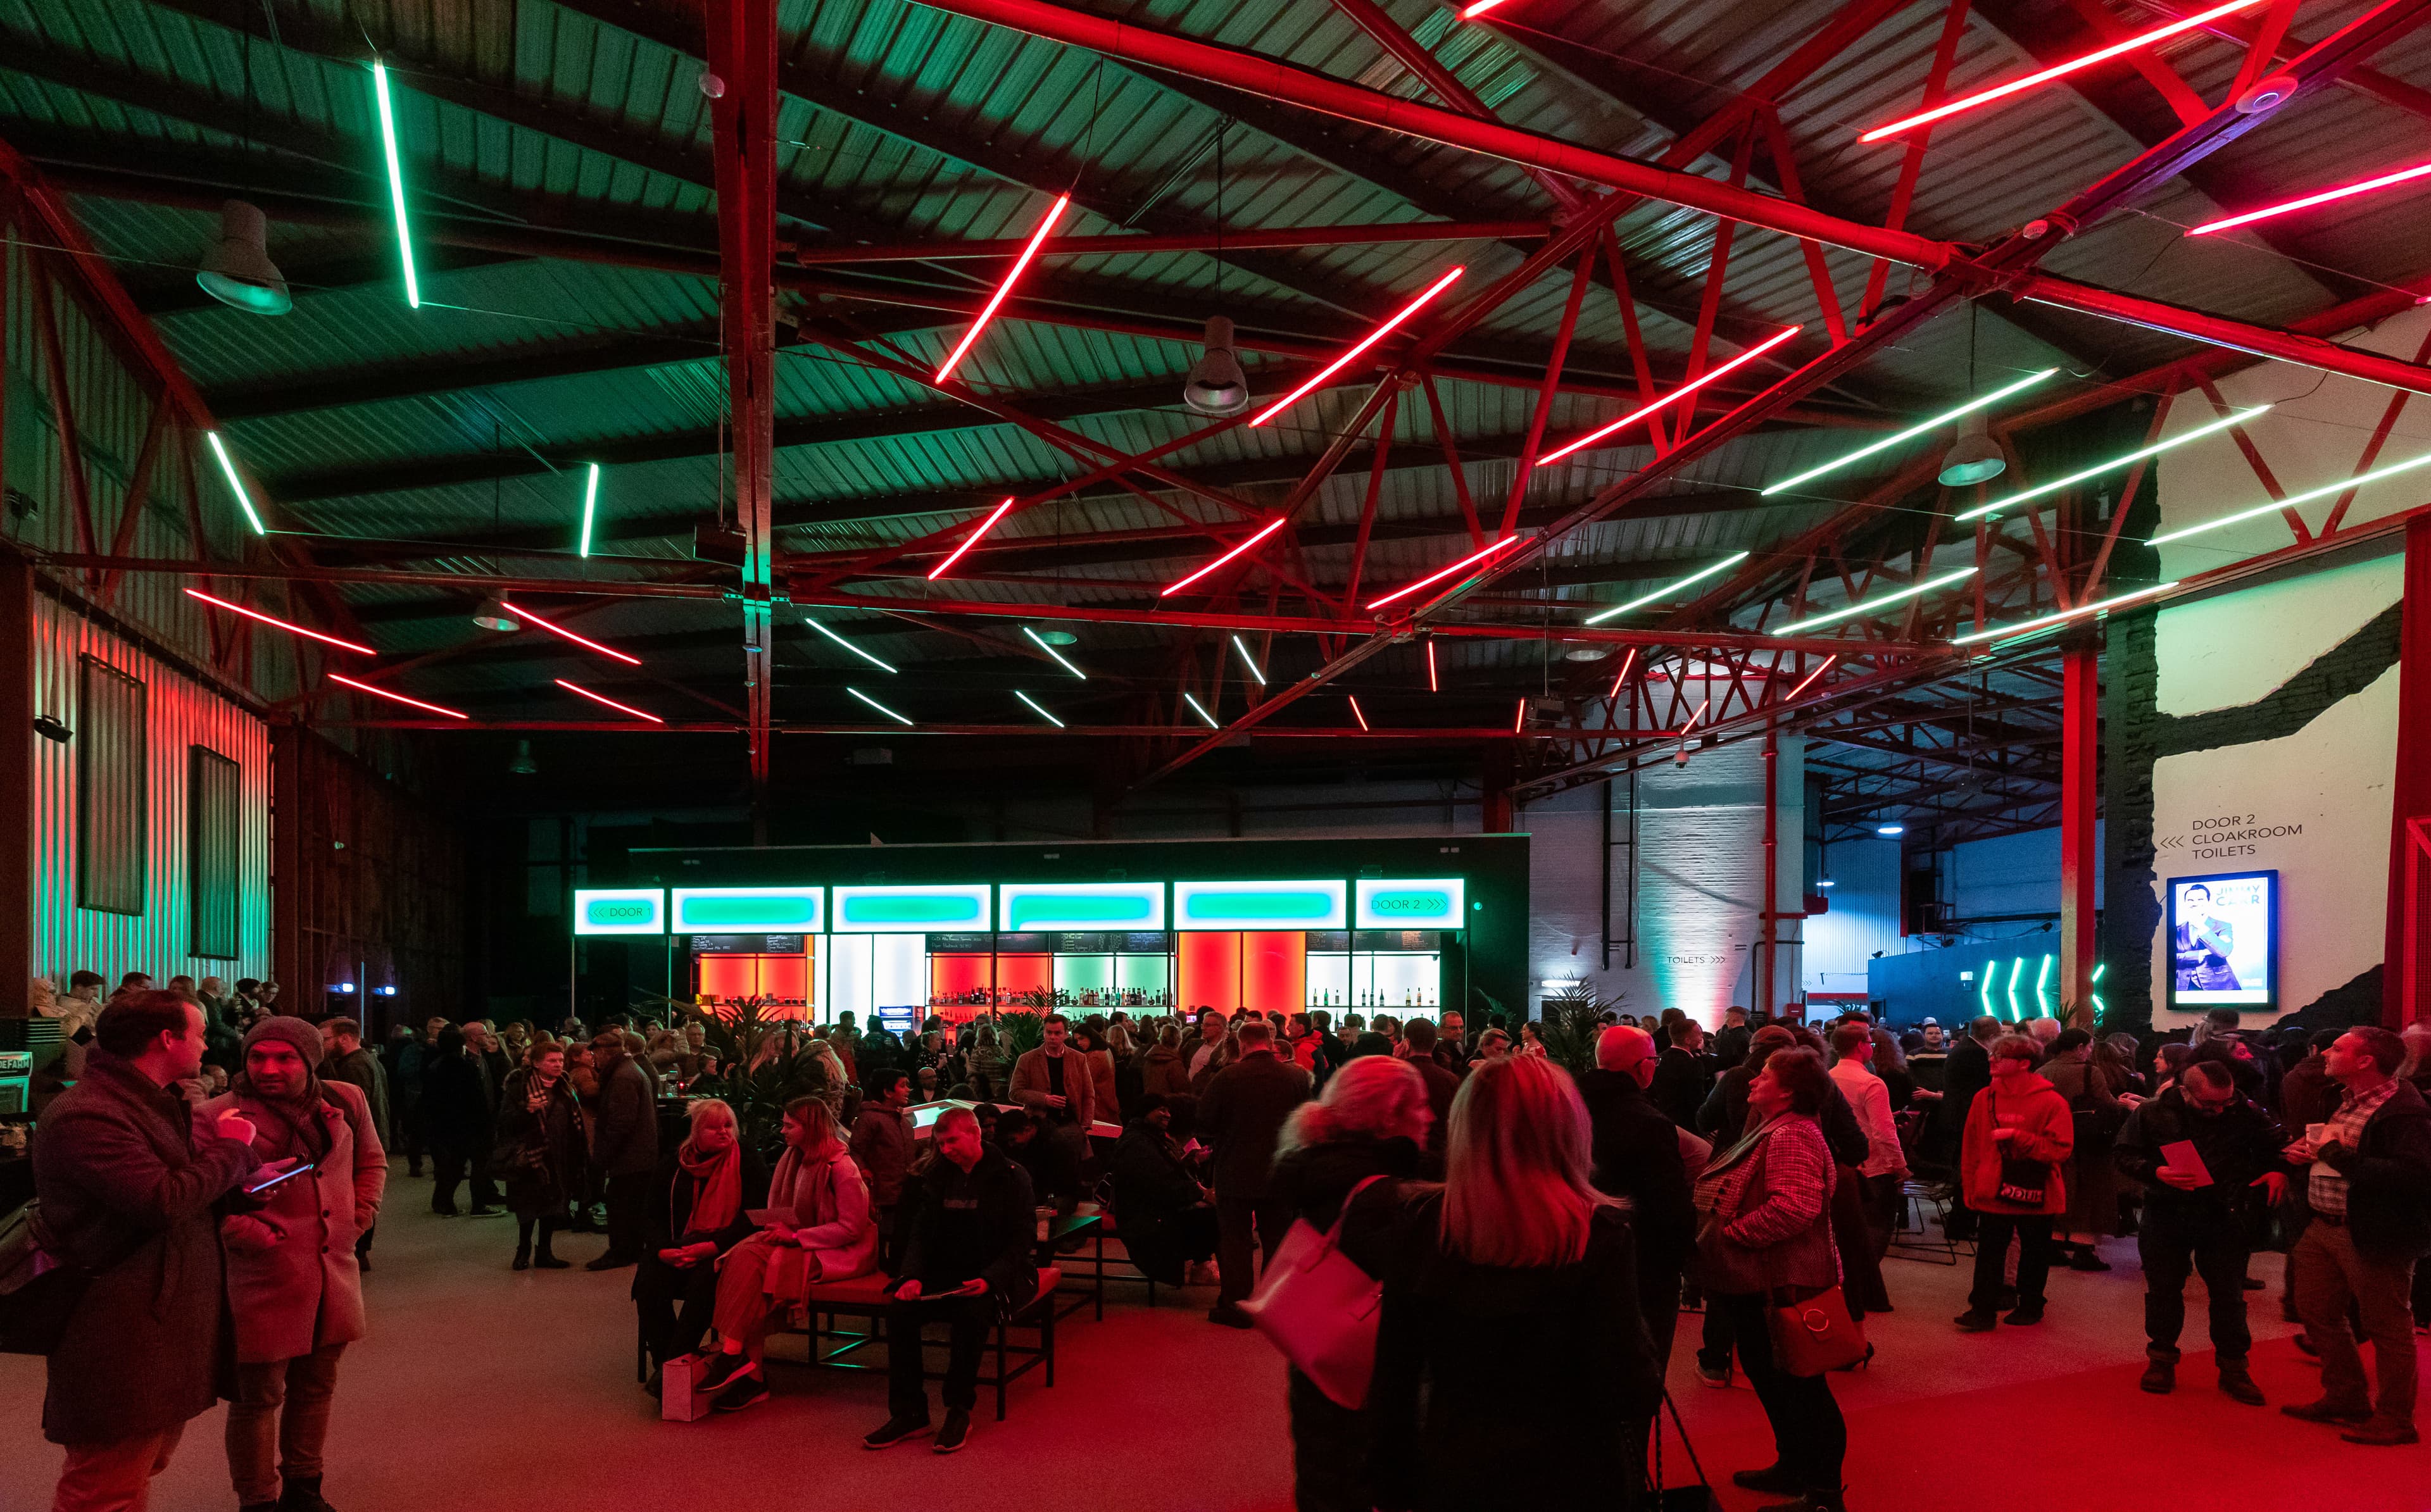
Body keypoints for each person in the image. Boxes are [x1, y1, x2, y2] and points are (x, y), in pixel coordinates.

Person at [1369, 1056, 1662, 1512]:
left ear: (1466, 1125)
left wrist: (1391, 1481)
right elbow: (1626, 1386)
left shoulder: (1422, 1223)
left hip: (1456, 1459)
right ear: (1568, 1127)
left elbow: (1394, 1370)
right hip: (1572, 1470)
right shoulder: (1598, 1234)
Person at [36, 991, 268, 1512]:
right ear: (168, 1039)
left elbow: (174, 1188)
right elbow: (160, 1200)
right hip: (117, 1326)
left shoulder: (148, 1101)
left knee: (142, 1466)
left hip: (160, 1319)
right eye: (201, 1032)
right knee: (105, 1484)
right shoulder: (88, 1113)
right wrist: (233, 1147)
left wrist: (241, 1179)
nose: (209, 1043)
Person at [201, 1017, 386, 1512]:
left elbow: (371, 1161)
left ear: (310, 1061)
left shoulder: (345, 1099)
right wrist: (250, 1234)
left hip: (332, 1271)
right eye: (258, 1057)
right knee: (257, 1396)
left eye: (285, 1058)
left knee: (316, 1386)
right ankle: (258, 1499)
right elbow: (203, 1201)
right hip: (260, 1276)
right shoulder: (216, 1113)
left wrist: (358, 1217)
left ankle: (305, 1488)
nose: (268, 1068)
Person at [1269, 1056, 1433, 1512]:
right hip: (1364, 1380)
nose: (1431, 1115)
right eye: (1419, 1105)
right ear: (1386, 1116)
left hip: (1323, 1362)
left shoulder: (1323, 1168)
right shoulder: (1378, 1194)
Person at [1693, 1048, 1849, 1512]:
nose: (1751, 1081)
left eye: (1763, 1075)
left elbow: (1796, 1207)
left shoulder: (1792, 1134)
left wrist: (1733, 1237)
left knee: (1802, 1388)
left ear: (1787, 1090)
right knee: (1775, 1380)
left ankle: (1822, 1495)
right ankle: (1793, 1467)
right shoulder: (1774, 1128)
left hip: (1781, 1281)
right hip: (1762, 1280)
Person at [2280, 1026, 2431, 1445]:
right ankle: (2346, 1396)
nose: (2327, 1051)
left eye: (2339, 1047)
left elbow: (2413, 1176)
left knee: (2388, 1328)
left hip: (2375, 1232)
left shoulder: (2406, 1109)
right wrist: (2304, 1153)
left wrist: (2333, 1155)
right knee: (2316, 1312)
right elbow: (2335, 1154)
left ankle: (2397, 1418)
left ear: (2366, 1061)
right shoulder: (2339, 1098)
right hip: (2322, 1225)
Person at [863, 1107, 1037, 1455]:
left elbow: (1021, 1243)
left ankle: (959, 1409)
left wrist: (990, 1279)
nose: (945, 1150)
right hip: (945, 1271)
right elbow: (921, 1233)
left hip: (995, 1272)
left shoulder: (1012, 1176)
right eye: (940, 1143)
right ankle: (911, 1412)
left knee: (971, 1315)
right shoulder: (938, 1174)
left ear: (975, 1134)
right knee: (900, 1311)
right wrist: (910, 1276)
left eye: (952, 1141)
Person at [2113, 1058, 2288, 1402]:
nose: (2220, 1110)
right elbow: (2122, 1154)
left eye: (2226, 1102)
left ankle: (2234, 1368)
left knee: (2229, 1297)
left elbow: (2279, 1144)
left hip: (2226, 1214)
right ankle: (2161, 1360)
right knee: (2163, 1292)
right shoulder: (2150, 1111)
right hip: (2166, 1212)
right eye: (2210, 1104)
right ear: (2185, 1091)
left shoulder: (2245, 1110)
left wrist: (2280, 1170)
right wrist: (2156, 1172)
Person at [691, 1097, 878, 1411]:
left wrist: (793, 1236)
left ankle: (740, 1363)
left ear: (812, 1128)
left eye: (790, 1125)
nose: (783, 1130)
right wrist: (772, 1227)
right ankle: (743, 1366)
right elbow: (783, 1211)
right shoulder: (794, 1158)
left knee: (752, 1263)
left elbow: (851, 1228)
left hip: (839, 1250)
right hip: (804, 1238)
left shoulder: (842, 1167)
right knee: (741, 1257)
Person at [1575, 1025, 1695, 1368]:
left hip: (1575, 1252)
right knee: (1641, 1367)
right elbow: (1669, 1208)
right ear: (1644, 1067)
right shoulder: (1649, 1122)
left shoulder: (1567, 1107)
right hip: (1642, 1263)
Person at [634, 1099, 767, 1388]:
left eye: (728, 1126)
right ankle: (667, 1362)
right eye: (713, 1127)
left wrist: (714, 1246)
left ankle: (671, 1371)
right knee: (648, 1282)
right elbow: (650, 1215)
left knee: (704, 1284)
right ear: (695, 1132)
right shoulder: (674, 1162)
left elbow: (755, 1218)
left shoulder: (747, 1161)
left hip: (725, 1249)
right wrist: (662, 1249)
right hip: (677, 1244)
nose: (723, 1132)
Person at [1198, 1018, 1314, 1327]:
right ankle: (1273, 1305)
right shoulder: (1296, 1078)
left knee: (1235, 1241)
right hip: (1280, 1171)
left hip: (1235, 1169)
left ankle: (1236, 1306)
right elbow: (1307, 1122)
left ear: (1241, 1043)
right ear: (1271, 1042)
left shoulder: (1228, 1077)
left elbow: (1205, 1121)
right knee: (1277, 1239)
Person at [1955, 1034, 2074, 1332]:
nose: (1991, 1060)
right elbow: (1971, 1146)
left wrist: (2020, 1138)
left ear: (2024, 1064)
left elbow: (2061, 1149)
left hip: (2038, 1192)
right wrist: (1969, 1186)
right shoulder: (1984, 1098)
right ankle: (1982, 1310)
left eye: (2000, 1056)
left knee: (2034, 1251)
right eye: (1992, 1054)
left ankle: (2031, 1305)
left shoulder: (2051, 1101)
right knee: (1989, 1252)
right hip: (1993, 1188)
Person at [1826, 1021, 1904, 1318]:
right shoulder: (1872, 1083)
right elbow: (1885, 1132)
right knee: (1878, 1227)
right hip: (1874, 1165)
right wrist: (1900, 1165)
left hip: (1843, 1165)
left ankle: (1850, 1287)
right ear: (1861, 1045)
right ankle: (1866, 1289)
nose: (1872, 1045)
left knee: (1847, 1230)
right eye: (1870, 1041)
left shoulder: (1829, 1078)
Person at [1109, 1093, 1221, 1288]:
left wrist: (1191, 1164)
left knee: (1215, 1213)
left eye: (1169, 1110)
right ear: (1146, 1113)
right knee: (1217, 1218)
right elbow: (1163, 1184)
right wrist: (1202, 1195)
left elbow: (1164, 1177)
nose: (1167, 1115)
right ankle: (1211, 1273)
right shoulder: (1139, 1144)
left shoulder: (1149, 1138)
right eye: (1161, 1110)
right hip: (1147, 1221)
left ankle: (1204, 1268)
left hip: (1154, 1211)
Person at [494, 1040, 587, 1271]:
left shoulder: (565, 1087)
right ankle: (523, 1250)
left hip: (559, 1157)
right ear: (536, 1064)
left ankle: (545, 1252)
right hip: (531, 1158)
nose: (558, 1065)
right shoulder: (519, 1088)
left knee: (552, 1206)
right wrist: (527, 1111)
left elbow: (575, 1125)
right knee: (528, 1208)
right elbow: (505, 1123)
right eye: (552, 1061)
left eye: (560, 1060)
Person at [2041, 1027, 2125, 1271]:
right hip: (2089, 1143)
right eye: (2089, 1047)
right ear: (2079, 1048)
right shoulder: (2091, 1072)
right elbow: (2108, 1105)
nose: (2090, 1051)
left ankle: (2054, 1246)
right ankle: (2084, 1250)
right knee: (2089, 1195)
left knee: (2061, 1192)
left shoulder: (2042, 1071)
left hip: (2054, 1141)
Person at [587, 1027, 660, 1270]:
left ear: (606, 1053)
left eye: (595, 1054)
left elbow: (621, 1123)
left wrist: (603, 1157)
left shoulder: (622, 1077)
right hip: (639, 1155)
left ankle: (620, 1252)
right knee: (632, 1207)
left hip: (629, 1157)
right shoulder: (629, 1071)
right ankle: (632, 1250)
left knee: (621, 1208)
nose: (593, 1059)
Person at [421, 1026, 503, 1217]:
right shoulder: (465, 1067)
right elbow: (476, 1099)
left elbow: (429, 1099)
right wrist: (487, 1124)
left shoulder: (435, 1065)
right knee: (479, 1166)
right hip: (472, 1126)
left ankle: (443, 1202)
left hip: (447, 1126)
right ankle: (478, 1206)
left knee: (455, 1166)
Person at [1937, 1015, 2001, 1237]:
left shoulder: (1964, 1049)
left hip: (1957, 1118)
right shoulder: (1975, 1055)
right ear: (1993, 1036)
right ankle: (1961, 1224)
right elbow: (1984, 1089)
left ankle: (1961, 1223)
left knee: (1966, 1172)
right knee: (1969, 1173)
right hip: (1966, 1120)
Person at [1008, 1014, 1096, 1161]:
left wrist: (1085, 1126)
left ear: (1066, 1034)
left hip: (1070, 1124)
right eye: (1049, 1033)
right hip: (1039, 1125)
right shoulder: (1027, 1059)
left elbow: (1089, 1095)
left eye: (1057, 1033)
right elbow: (1015, 1092)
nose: (1052, 1037)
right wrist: (1044, 1099)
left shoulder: (1078, 1058)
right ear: (1044, 1033)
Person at [851, 1068, 917, 1265]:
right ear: (887, 1092)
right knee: (884, 1237)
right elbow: (855, 1150)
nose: (908, 1090)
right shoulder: (870, 1119)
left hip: (901, 1191)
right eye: (902, 1086)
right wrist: (864, 1172)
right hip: (881, 1194)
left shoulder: (900, 1120)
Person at [995, 1106, 1081, 1215]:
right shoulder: (1023, 1145)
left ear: (1027, 1129)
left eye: (1013, 1139)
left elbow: (1062, 1184)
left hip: (1059, 1195)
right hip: (1039, 1194)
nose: (1010, 1144)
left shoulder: (1055, 1143)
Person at [1398, 1019, 1460, 1153]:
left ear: (1406, 1043)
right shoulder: (1450, 1079)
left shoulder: (1397, 1075)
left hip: (1403, 1154)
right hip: (1438, 1152)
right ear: (1435, 1042)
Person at [1652, 1017, 1713, 1130]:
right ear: (1687, 1041)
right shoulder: (1693, 1064)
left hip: (1661, 1119)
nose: (1701, 1038)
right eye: (1699, 1034)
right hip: (1686, 1122)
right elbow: (1696, 1099)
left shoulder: (1658, 1059)